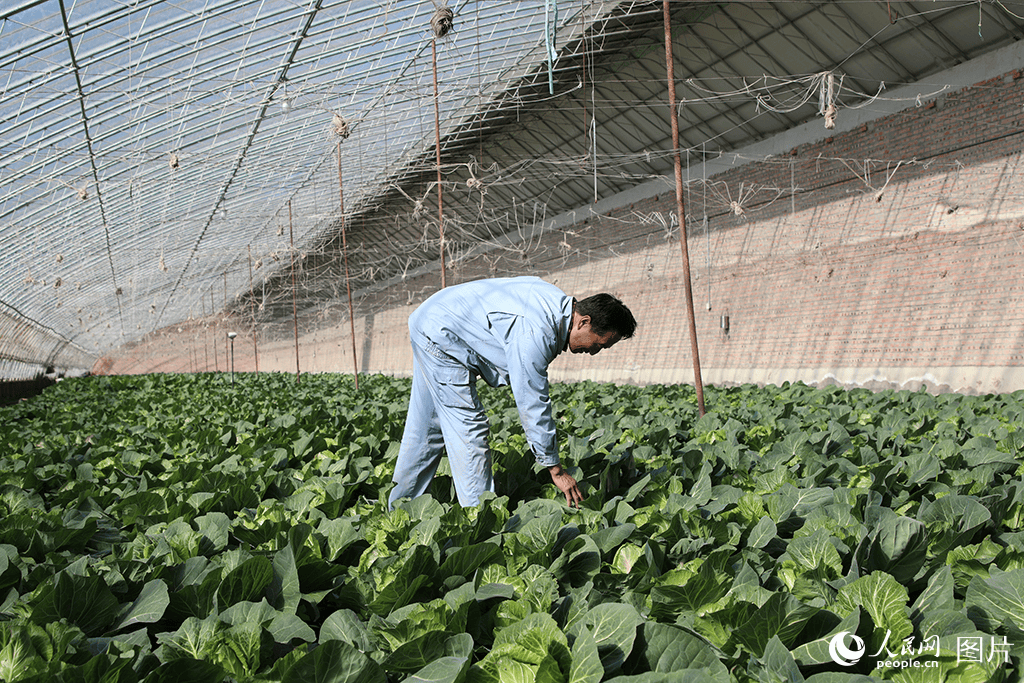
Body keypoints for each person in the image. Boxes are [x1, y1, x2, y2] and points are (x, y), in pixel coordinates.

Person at [388, 276, 636, 509]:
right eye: (599, 344)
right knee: (468, 430)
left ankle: (400, 506)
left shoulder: (554, 304)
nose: (594, 352)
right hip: (441, 335)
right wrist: (555, 470)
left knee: (426, 428)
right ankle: (478, 521)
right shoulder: (537, 329)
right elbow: (531, 402)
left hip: (433, 320)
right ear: (584, 322)